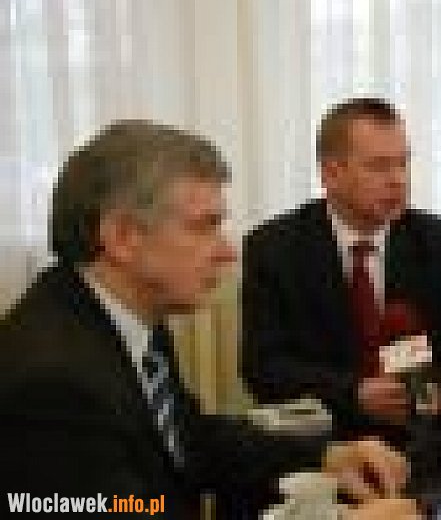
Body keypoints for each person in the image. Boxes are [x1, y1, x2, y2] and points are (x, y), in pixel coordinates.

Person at [0, 120, 415, 518]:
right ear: (123, 237)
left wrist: (327, 456)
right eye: (204, 226)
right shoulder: (54, 383)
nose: (227, 252)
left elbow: (188, 437)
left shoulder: (125, 315)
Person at [241, 97, 441, 448]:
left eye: (403, 163)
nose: (398, 180)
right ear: (331, 174)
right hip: (325, 439)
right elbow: (264, 367)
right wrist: (353, 392)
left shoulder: (440, 241)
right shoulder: (274, 249)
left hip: (423, 434)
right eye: (379, 166)